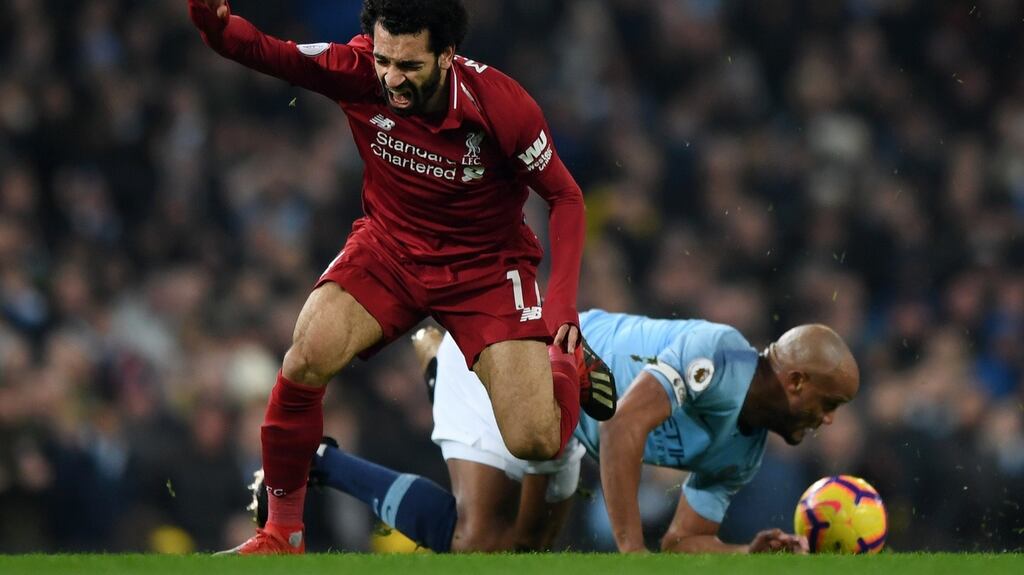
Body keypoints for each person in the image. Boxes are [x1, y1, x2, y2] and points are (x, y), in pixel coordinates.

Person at [187, 0, 617, 554]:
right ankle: (281, 532)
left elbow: (566, 196)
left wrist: (562, 311)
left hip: (485, 268)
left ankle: (565, 365)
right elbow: (266, 52)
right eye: (385, 59)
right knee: (305, 356)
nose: (391, 77)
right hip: (390, 250)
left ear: (448, 55)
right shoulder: (356, 69)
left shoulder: (501, 105)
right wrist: (215, 27)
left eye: (410, 66)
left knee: (534, 441)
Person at [251, 310, 860, 553]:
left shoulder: (744, 451)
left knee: (520, 558)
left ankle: (438, 363)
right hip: (529, 363)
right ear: (798, 381)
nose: (829, 421)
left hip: (567, 423)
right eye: (829, 404)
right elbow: (625, 428)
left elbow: (682, 542)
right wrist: (630, 553)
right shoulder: (720, 357)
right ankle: (325, 461)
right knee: (476, 544)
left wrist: (742, 553)